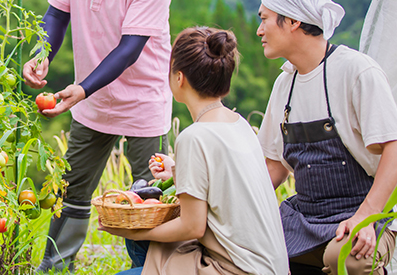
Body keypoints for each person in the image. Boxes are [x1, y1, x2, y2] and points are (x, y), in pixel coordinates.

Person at [21, 0, 173, 272]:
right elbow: (57, 14)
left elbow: (130, 49)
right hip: (90, 98)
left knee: (150, 196)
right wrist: (43, 55)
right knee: (71, 188)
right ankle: (55, 266)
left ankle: (152, 268)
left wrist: (82, 88)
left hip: (143, 100)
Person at [101, 27, 289, 275]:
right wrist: (178, 171)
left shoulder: (193, 137)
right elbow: (222, 182)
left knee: (137, 247)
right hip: (272, 268)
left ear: (179, 78)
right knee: (148, 247)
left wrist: (130, 230)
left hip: (236, 270)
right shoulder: (239, 124)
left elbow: (192, 228)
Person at [256, 0, 397, 274]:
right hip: (305, 216)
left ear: (292, 21)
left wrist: (366, 217)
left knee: (345, 257)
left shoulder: (356, 71)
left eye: (265, 19)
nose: (259, 30)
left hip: (367, 213)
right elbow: (273, 168)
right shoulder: (285, 84)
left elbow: (393, 149)